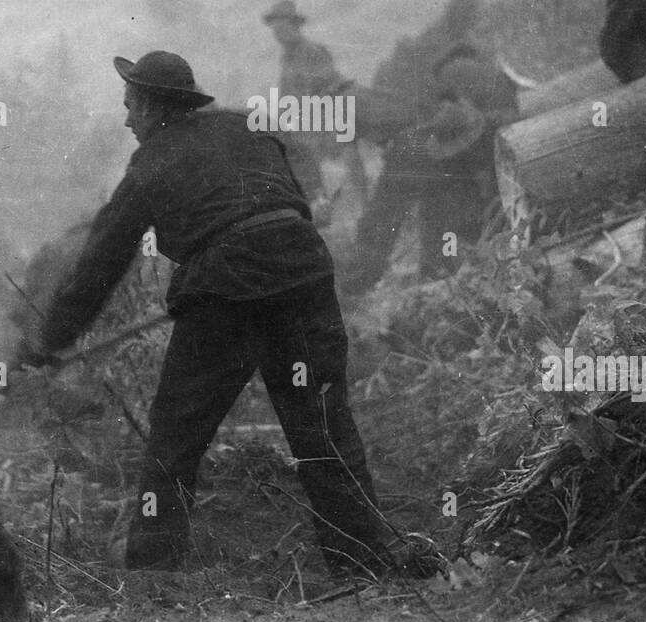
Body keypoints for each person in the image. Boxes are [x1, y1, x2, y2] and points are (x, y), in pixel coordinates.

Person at [24, 50, 394, 577]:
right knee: (323, 425)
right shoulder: (248, 127)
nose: (127, 120)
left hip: (226, 294)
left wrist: (47, 341)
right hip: (304, 273)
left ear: (152, 106)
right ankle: (365, 562)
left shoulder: (148, 164)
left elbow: (99, 264)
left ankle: (152, 571)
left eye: (129, 106)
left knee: (176, 433)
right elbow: (290, 200)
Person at [344, 42, 518, 296]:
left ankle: (362, 278)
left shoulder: (450, 75)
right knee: (442, 213)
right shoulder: (478, 74)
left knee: (419, 209)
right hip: (465, 146)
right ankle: (435, 272)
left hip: (434, 146)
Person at [263, 0, 366, 206]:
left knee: (339, 188)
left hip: (325, 132)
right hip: (302, 133)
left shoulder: (312, 52)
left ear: (295, 26)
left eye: (282, 28)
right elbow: (287, 99)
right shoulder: (287, 59)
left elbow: (331, 89)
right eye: (275, 30)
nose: (278, 34)